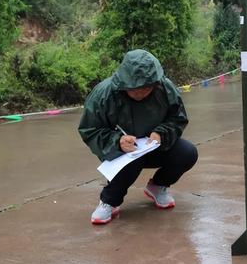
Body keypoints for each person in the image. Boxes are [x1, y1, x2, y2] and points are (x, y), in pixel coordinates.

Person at [78, 49, 198, 225]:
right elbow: (90, 129)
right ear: (125, 83)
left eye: (147, 88)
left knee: (188, 153)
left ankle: (157, 187)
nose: (141, 93)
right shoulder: (104, 94)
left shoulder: (164, 87)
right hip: (122, 152)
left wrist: (161, 133)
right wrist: (117, 141)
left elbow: (177, 118)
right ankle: (109, 201)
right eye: (135, 89)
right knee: (132, 160)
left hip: (155, 146)